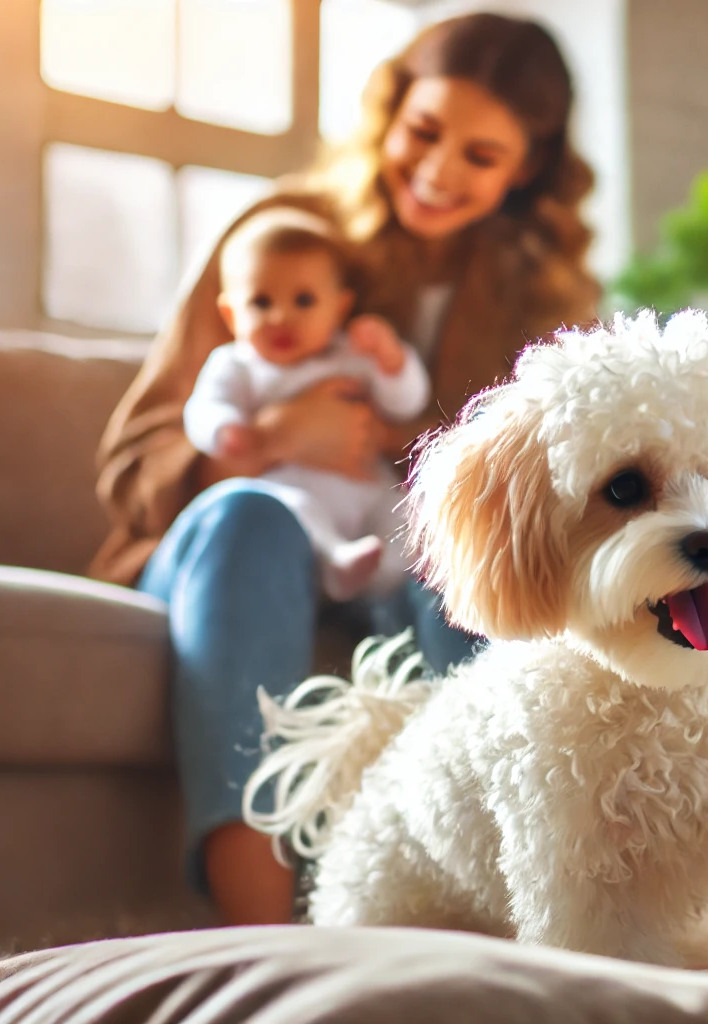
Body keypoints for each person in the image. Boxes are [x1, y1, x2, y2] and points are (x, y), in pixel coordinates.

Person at [91, 13, 599, 926]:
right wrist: (277, 434)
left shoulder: (543, 295)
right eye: (424, 133)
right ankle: (260, 930)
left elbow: (546, 485)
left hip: (392, 555)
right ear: (390, 112)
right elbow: (133, 464)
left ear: (525, 168)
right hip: (236, 546)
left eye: (480, 157)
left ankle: (499, 900)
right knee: (254, 516)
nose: (439, 172)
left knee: (466, 546)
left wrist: (396, 455)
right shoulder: (280, 240)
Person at [182, 207, 429, 601]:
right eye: (261, 302)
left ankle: (383, 583)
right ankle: (336, 559)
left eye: (303, 300)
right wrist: (225, 430)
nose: (281, 316)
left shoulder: (351, 355)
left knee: (405, 511)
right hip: (290, 487)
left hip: (366, 488)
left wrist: (391, 359)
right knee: (284, 506)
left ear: (340, 307)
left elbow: (404, 403)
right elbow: (204, 407)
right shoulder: (238, 364)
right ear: (230, 314)